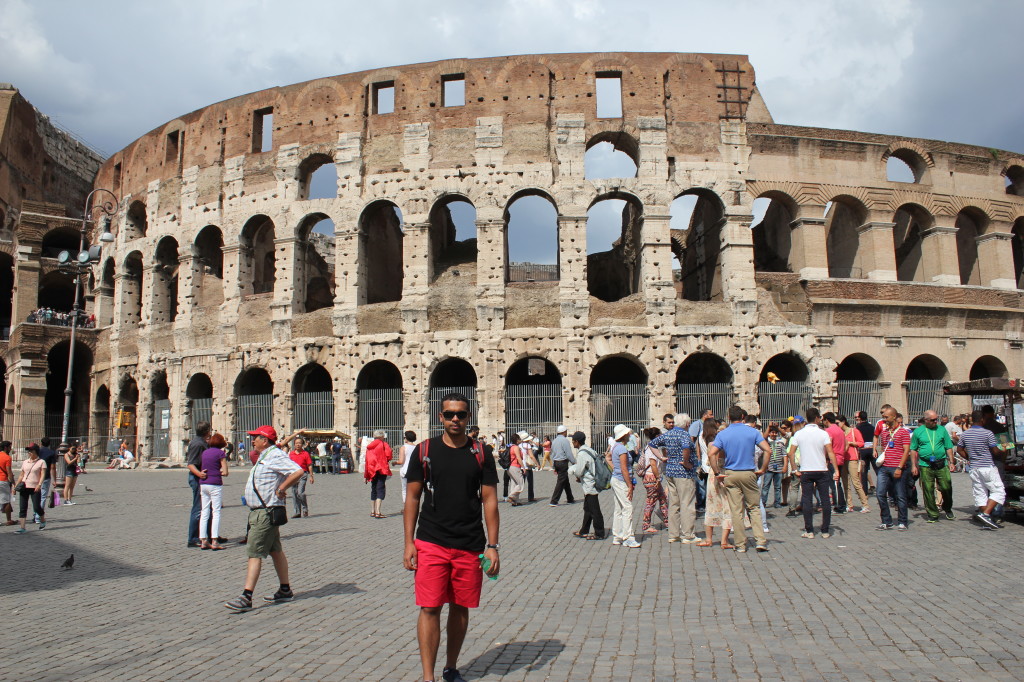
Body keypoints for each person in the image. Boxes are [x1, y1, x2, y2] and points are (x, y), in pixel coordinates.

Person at [404, 392, 500, 682]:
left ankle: (451, 667)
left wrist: (492, 546)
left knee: (460, 607)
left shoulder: (481, 453)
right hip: (431, 540)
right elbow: (412, 499)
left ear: (469, 417)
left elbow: (491, 501)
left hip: (469, 543)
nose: (455, 419)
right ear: (440, 417)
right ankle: (427, 677)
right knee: (430, 606)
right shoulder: (425, 450)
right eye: (449, 414)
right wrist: (409, 542)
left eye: (460, 414)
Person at [224, 425, 304, 612]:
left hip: (265, 512)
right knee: (275, 551)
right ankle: (285, 590)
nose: (252, 441)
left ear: (265, 440)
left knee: (254, 552)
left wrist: (282, 488)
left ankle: (247, 596)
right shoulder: (266, 455)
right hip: (261, 511)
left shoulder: (275, 455)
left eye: (256, 437)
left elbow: (298, 471)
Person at [707, 406, 771, 553]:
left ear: (729, 417)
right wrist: (763, 469)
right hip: (748, 471)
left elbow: (712, 454)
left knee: (736, 510)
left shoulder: (723, 434)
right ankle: (760, 541)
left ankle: (740, 544)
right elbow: (767, 450)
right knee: (754, 507)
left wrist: (717, 472)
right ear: (743, 416)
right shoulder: (753, 432)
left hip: (731, 473)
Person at [788, 408, 838, 539]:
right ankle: (825, 530)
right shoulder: (823, 433)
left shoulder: (799, 434)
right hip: (821, 469)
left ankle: (809, 530)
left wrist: (794, 469)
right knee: (825, 500)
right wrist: (836, 470)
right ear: (817, 418)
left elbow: (791, 453)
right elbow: (831, 452)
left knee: (807, 499)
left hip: (806, 470)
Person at [648, 412, 697, 543]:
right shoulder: (684, 434)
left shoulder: (668, 434)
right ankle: (688, 535)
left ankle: (673, 534)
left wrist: (661, 457)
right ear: (687, 424)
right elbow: (686, 447)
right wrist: (686, 462)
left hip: (670, 471)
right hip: (683, 473)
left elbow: (652, 444)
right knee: (687, 503)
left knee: (674, 504)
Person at [957, 410, 1004, 530]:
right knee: (999, 491)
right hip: (987, 466)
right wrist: (1003, 449)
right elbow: (995, 451)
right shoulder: (987, 433)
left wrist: (969, 457)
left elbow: (959, 449)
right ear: (982, 419)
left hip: (974, 467)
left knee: (980, 494)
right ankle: (986, 514)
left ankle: (986, 519)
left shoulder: (965, 434)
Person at [910, 409, 955, 523]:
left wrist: (951, 462)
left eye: (936, 419)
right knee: (928, 489)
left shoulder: (941, 429)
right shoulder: (918, 432)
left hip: (941, 463)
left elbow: (948, 446)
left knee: (946, 487)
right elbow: (913, 449)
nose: (936, 422)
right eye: (933, 420)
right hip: (925, 464)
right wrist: (914, 466)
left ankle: (947, 507)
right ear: (926, 420)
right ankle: (933, 513)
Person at [696, 419, 735, 548]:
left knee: (711, 505)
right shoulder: (728, 445)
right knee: (727, 506)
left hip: (714, 474)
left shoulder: (713, 443)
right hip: (726, 473)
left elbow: (710, 457)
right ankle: (724, 540)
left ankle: (708, 539)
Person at [875, 406, 911, 531]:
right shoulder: (884, 432)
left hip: (898, 467)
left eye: (886, 417)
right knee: (880, 493)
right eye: (883, 417)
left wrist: (900, 467)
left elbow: (906, 450)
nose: (884, 419)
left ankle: (902, 521)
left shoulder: (903, 432)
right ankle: (886, 521)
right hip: (884, 467)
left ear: (894, 417)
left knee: (900, 495)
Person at [608, 424, 641, 548]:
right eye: (628, 433)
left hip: (615, 479)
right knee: (627, 508)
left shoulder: (615, 446)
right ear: (624, 435)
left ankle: (617, 536)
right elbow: (624, 469)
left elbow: (608, 458)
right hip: (621, 480)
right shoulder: (621, 449)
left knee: (619, 509)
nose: (629, 434)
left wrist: (614, 469)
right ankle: (628, 537)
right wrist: (630, 485)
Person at [568, 431, 605, 540]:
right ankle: (584, 530)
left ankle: (599, 533)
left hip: (590, 484)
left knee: (594, 509)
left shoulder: (582, 453)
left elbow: (579, 471)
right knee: (588, 508)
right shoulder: (589, 449)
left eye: (573, 441)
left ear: (577, 442)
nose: (572, 443)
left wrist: (574, 472)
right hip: (591, 481)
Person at [199, 433, 229, 550]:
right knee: (216, 512)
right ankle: (215, 540)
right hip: (215, 484)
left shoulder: (205, 452)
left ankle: (203, 540)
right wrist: (219, 471)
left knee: (204, 511)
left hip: (204, 483)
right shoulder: (221, 453)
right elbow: (225, 472)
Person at [187, 421, 213, 548]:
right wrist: (199, 474)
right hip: (197, 478)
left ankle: (210, 535)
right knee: (198, 508)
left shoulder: (201, 442)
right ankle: (193, 538)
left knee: (208, 508)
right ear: (207, 431)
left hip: (203, 479)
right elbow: (190, 463)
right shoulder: (197, 444)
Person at [639, 427, 669, 534]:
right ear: (657, 436)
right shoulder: (652, 448)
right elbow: (653, 464)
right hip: (651, 476)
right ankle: (646, 525)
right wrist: (658, 478)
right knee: (651, 501)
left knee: (663, 499)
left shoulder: (653, 446)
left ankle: (668, 521)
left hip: (653, 477)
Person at [13, 443, 48, 533]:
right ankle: (22, 527)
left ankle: (42, 520)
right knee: (22, 507)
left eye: (31, 451)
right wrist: (16, 486)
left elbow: (43, 475)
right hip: (24, 486)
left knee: (36, 507)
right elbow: (21, 475)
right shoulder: (25, 462)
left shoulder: (41, 462)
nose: (29, 453)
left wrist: (39, 484)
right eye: (29, 451)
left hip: (35, 487)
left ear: (36, 451)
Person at [281, 433, 314, 519]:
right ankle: (297, 512)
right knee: (294, 494)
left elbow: (309, 465)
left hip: (303, 474)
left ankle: (305, 509)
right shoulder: (291, 454)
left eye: (299, 443)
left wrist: (311, 476)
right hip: (293, 476)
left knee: (300, 493)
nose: (298, 444)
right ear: (294, 444)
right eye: (296, 443)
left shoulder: (305, 454)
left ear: (302, 444)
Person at [364, 429, 393, 518]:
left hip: (371, 469)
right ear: (381, 436)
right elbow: (389, 456)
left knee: (373, 489)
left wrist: (366, 474)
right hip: (381, 468)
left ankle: (372, 511)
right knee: (380, 488)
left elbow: (367, 460)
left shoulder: (369, 446)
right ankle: (378, 511)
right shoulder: (384, 444)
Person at [548, 425, 576, 505]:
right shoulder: (565, 441)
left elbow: (552, 453)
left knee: (565, 481)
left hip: (556, 462)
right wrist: (573, 462)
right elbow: (568, 453)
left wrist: (553, 465)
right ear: (564, 432)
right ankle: (554, 500)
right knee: (560, 482)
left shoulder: (554, 441)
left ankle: (570, 498)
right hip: (562, 462)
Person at [761, 424, 786, 508]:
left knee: (778, 487)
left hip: (779, 467)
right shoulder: (766, 442)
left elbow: (784, 454)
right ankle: (763, 502)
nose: (774, 434)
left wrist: (785, 465)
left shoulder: (780, 442)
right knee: (766, 486)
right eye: (772, 432)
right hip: (769, 467)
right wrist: (768, 427)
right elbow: (763, 437)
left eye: (775, 433)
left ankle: (777, 502)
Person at [505, 432, 525, 506]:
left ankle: (515, 501)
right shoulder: (516, 447)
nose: (520, 440)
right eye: (519, 439)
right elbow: (519, 458)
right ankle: (511, 496)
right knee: (520, 484)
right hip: (515, 466)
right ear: (517, 440)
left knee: (514, 483)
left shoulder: (511, 447)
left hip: (510, 467)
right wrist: (523, 467)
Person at [400, 430, 417, 502]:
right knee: (413, 490)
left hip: (405, 470)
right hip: (414, 470)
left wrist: (394, 463)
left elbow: (401, 461)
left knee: (404, 489)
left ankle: (406, 506)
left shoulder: (403, 447)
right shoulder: (417, 447)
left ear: (406, 438)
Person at [0, 441, 13, 526]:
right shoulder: (7, 458)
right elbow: (9, 471)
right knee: (7, 501)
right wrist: (11, 481)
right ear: (5, 447)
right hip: (3, 480)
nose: (10, 449)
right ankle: (9, 520)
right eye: (9, 447)